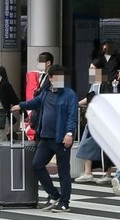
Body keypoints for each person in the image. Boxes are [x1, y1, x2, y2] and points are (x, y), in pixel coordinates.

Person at [11, 65, 78, 212]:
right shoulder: (46, 93)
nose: (59, 80)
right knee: (37, 165)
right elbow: (35, 102)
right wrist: (20, 105)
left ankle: (65, 202)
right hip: (45, 137)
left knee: (63, 171)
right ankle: (54, 194)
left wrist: (69, 134)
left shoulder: (69, 94)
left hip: (61, 139)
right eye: (56, 77)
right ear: (51, 78)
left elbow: (72, 116)